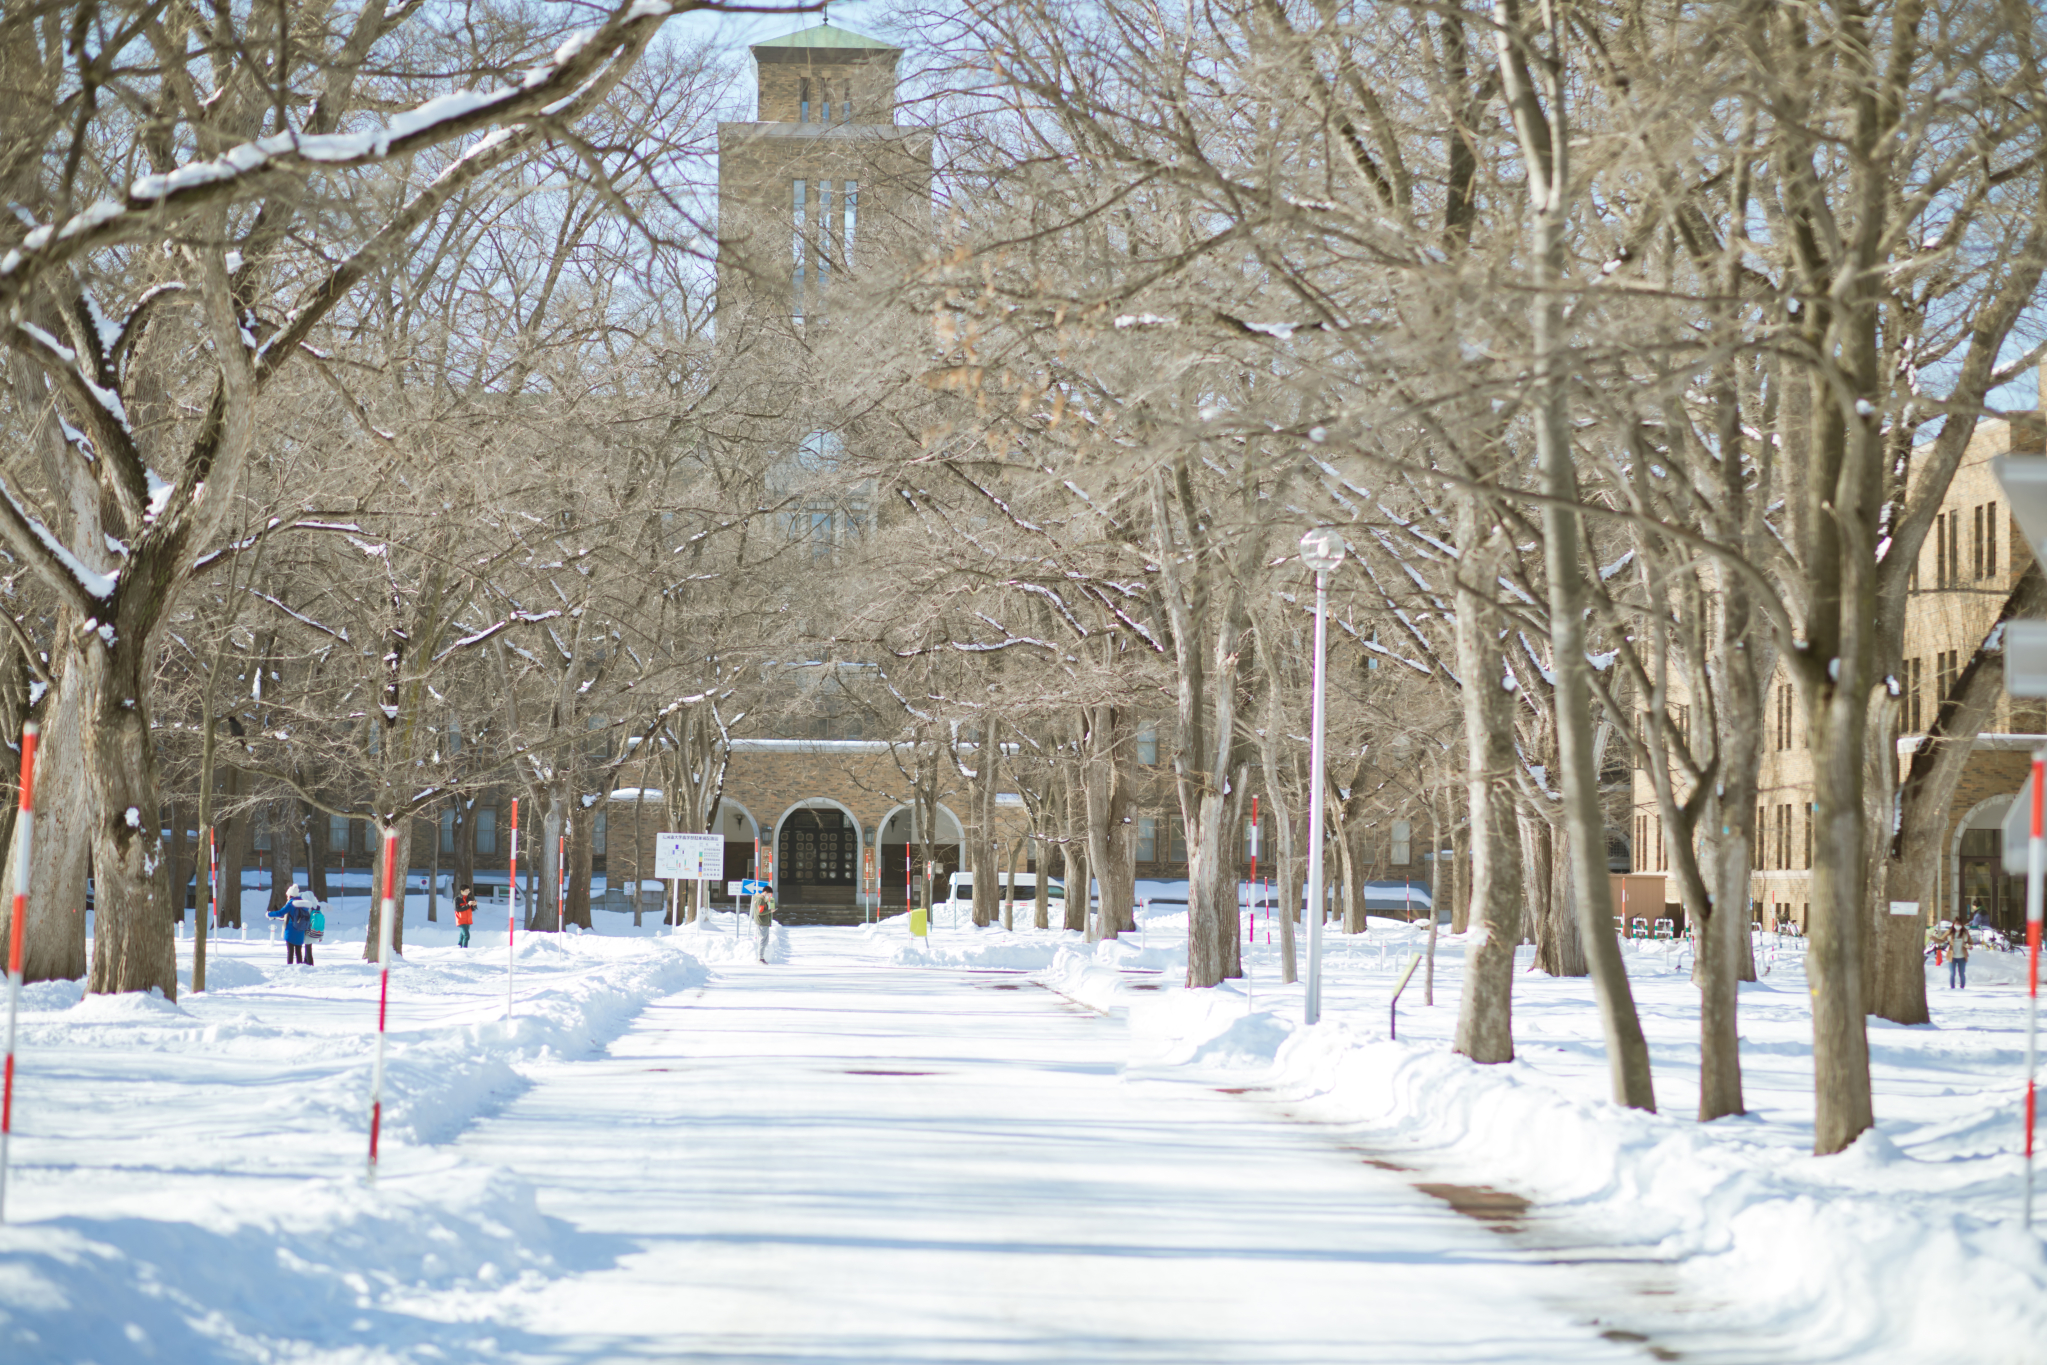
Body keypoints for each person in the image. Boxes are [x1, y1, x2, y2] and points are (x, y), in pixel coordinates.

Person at [268, 883, 318, 965]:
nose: (287, 897)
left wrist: (269, 914)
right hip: (301, 931)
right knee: (299, 952)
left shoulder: (291, 904)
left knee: (290, 952)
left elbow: (280, 913)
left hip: (291, 930)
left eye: (287, 895)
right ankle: (300, 967)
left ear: (290, 895)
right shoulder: (304, 904)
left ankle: (290, 967)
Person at [1947, 913, 1972, 990]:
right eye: (1956, 923)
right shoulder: (1950, 933)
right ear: (1954, 924)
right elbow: (1943, 939)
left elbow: (1970, 943)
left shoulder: (1965, 933)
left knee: (1962, 973)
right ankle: (1952, 988)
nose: (1957, 925)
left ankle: (1962, 988)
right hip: (1952, 957)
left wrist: (1969, 946)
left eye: (1959, 924)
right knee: (1952, 973)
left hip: (1962, 957)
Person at [751, 888, 776, 963]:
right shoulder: (760, 900)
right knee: (763, 940)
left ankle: (761, 957)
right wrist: (770, 911)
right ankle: (760, 958)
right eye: (769, 894)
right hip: (762, 922)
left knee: (765, 940)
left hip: (763, 922)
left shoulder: (761, 899)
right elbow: (760, 912)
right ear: (765, 892)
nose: (769, 896)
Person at [454, 884, 477, 948]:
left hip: (468, 920)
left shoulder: (469, 898)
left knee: (462, 935)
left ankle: (459, 946)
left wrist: (474, 905)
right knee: (466, 935)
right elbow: (457, 909)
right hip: (460, 920)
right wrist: (467, 905)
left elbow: (472, 909)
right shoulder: (457, 899)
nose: (467, 892)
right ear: (462, 891)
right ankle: (464, 948)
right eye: (466, 891)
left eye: (468, 891)